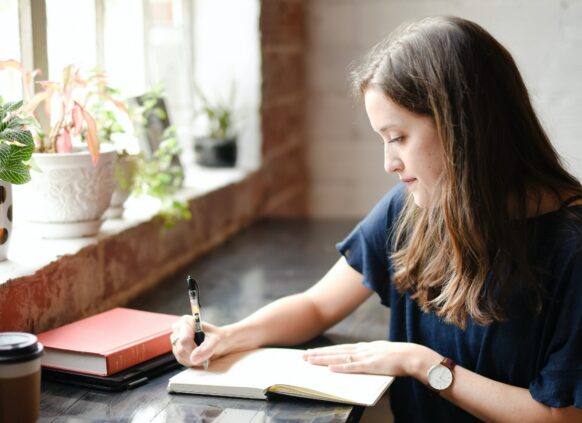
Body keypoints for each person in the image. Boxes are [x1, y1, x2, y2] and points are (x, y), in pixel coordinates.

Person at [171, 16, 582, 422]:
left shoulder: (572, 248)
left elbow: (559, 416)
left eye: (399, 137)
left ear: (464, 126)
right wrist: (228, 336)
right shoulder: (411, 208)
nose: (389, 163)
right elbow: (317, 305)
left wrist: (423, 364)